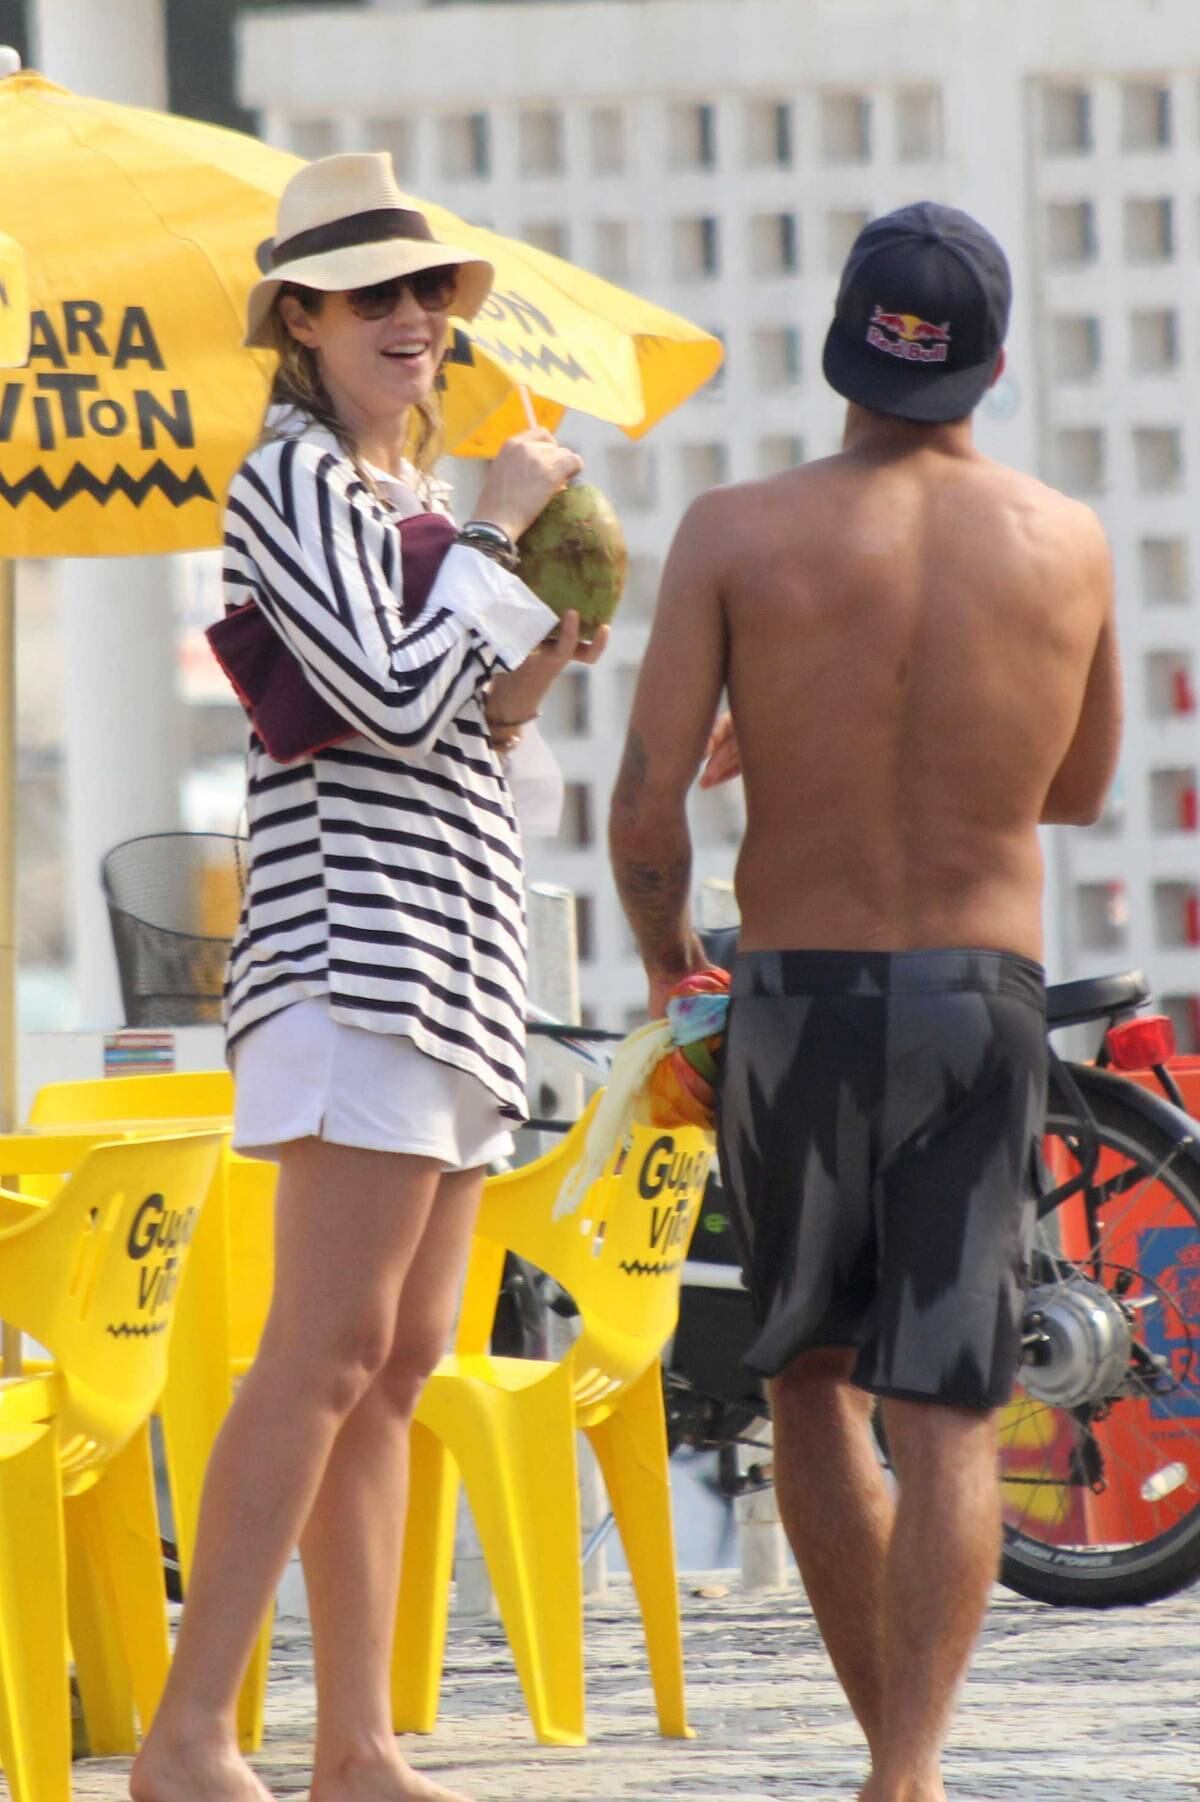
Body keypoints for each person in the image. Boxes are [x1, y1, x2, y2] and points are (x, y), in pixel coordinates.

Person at [608, 202, 1120, 1802]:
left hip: (799, 997)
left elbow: (643, 806)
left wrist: (667, 966)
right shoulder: (1068, 539)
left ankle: (892, 1766)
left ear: (840, 346)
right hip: (981, 994)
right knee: (952, 1402)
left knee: (807, 1379)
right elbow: (1082, 783)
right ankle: (908, 1775)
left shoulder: (732, 534)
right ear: (994, 362)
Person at [132, 152, 606, 1802]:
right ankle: (190, 1734)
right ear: (305, 318)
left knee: (397, 1360)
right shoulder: (295, 480)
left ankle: (357, 1743)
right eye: (373, 294)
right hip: (363, 954)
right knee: (326, 1348)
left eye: (427, 292)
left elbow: (464, 734)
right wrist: (492, 533)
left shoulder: (399, 499)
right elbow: (396, 700)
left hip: (456, 954)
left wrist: (535, 641)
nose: (412, 318)